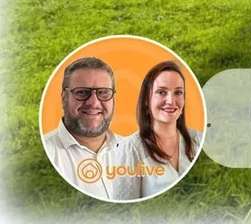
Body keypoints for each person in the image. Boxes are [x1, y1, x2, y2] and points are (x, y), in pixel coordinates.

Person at [42, 56, 132, 200]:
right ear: (64, 97)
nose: (93, 103)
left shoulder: (134, 151)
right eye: (82, 92)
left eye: (103, 93)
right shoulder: (45, 156)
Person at [122, 60, 202, 198]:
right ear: (147, 100)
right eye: (161, 92)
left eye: (178, 92)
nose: (171, 101)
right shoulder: (131, 149)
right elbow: (124, 211)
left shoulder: (198, 139)